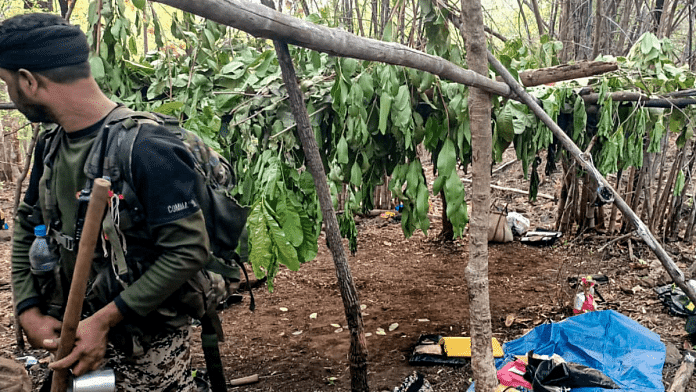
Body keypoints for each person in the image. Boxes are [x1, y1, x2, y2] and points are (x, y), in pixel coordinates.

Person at [1, 13, 209, 391]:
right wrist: (28, 308)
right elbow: (27, 223)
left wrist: (103, 321)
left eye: (7, 84)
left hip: (145, 346)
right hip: (71, 335)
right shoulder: (52, 143)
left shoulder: (148, 148)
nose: (10, 96)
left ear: (29, 81)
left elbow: (188, 250)